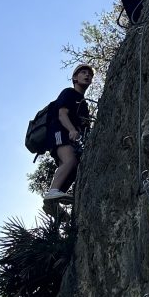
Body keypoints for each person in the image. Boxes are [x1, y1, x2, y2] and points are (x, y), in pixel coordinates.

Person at [42, 65, 94, 205]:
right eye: (83, 72)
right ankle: (53, 191)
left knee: (72, 165)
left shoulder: (83, 103)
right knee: (69, 160)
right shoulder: (69, 93)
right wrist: (71, 129)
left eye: (90, 74)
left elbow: (84, 127)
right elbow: (61, 113)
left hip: (68, 137)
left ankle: (53, 203)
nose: (87, 75)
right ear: (75, 78)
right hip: (58, 131)